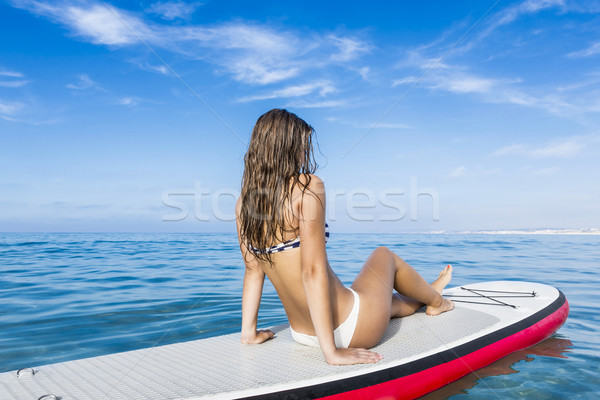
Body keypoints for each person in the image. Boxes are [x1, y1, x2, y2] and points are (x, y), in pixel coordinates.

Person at [235, 109, 454, 366]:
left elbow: (253, 271)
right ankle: (438, 301)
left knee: (391, 304)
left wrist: (249, 334)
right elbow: (312, 271)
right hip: (346, 331)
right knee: (383, 255)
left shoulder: (243, 204)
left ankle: (427, 292)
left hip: (303, 334)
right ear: (288, 147)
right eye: (302, 146)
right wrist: (332, 353)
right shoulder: (307, 187)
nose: (305, 153)